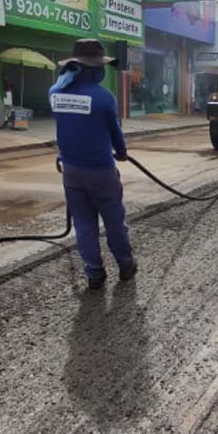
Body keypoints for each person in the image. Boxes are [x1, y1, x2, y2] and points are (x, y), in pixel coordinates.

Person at [50, 39, 135, 289]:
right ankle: (126, 266)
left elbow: (69, 126)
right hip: (101, 172)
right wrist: (122, 153)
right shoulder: (104, 97)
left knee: (84, 224)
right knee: (114, 222)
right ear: (94, 69)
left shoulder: (55, 93)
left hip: (71, 172)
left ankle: (94, 273)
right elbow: (115, 132)